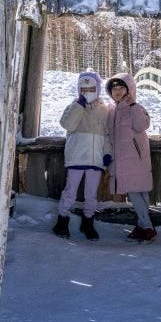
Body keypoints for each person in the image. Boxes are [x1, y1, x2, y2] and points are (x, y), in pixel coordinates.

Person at [52, 70, 111, 241]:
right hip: (77, 156)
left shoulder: (104, 109)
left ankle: (88, 223)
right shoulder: (73, 106)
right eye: (83, 89)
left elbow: (106, 134)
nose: (87, 92)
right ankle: (61, 221)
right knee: (70, 191)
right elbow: (67, 124)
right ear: (79, 89)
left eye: (91, 88)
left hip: (95, 158)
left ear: (97, 89)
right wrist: (79, 104)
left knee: (91, 194)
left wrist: (107, 154)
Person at [105, 72, 156, 243]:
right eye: (114, 88)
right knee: (135, 191)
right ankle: (144, 226)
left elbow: (142, 125)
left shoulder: (136, 107)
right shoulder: (111, 110)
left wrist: (133, 105)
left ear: (130, 89)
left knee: (139, 191)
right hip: (121, 159)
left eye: (121, 88)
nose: (117, 91)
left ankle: (146, 227)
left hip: (137, 157)